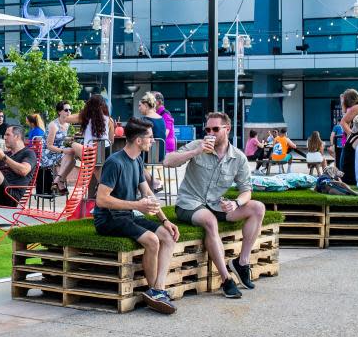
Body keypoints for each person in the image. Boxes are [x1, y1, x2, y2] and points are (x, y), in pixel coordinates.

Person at [163, 112, 265, 300]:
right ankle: (226, 280)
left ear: (227, 129)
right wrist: (196, 151)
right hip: (189, 203)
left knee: (257, 208)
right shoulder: (198, 146)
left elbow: (246, 191)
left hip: (216, 205)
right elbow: (167, 161)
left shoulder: (239, 157)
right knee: (209, 221)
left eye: (215, 129)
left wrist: (236, 203)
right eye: (207, 129)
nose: (210, 133)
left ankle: (241, 263)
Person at [93, 117, 179, 315]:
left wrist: (165, 220)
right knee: (152, 240)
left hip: (127, 215)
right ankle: (156, 292)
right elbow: (101, 200)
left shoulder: (138, 160)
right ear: (138, 141)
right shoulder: (115, 162)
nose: (153, 140)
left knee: (167, 236)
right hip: (108, 220)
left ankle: (158, 289)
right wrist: (137, 205)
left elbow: (147, 194)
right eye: (150, 137)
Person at [56, 95, 115, 191]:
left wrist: (65, 111)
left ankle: (60, 179)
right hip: (105, 151)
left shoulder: (85, 117)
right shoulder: (110, 120)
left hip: (91, 153)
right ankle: (101, 185)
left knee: (73, 145)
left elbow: (66, 119)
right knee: (97, 168)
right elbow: (111, 140)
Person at [41, 101, 72, 173]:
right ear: (59, 112)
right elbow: (49, 146)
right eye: (66, 110)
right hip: (48, 154)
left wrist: (71, 138)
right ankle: (59, 180)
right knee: (69, 157)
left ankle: (59, 180)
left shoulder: (67, 124)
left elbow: (61, 138)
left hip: (59, 151)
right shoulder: (53, 125)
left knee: (72, 158)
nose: (69, 112)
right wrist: (63, 151)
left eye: (70, 110)